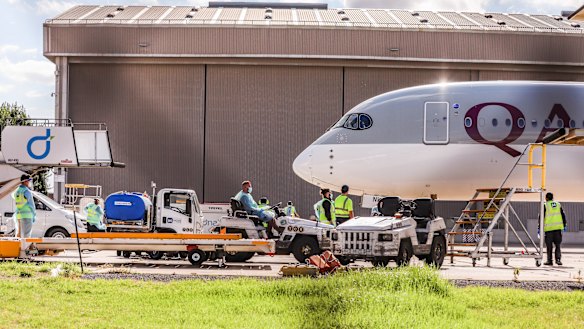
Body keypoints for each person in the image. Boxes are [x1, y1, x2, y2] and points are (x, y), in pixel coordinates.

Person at [543, 192, 567, 266]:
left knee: (549, 246)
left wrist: (539, 227)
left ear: (546, 198)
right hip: (558, 229)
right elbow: (563, 214)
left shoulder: (545, 205)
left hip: (549, 229)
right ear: (552, 198)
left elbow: (541, 216)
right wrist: (564, 224)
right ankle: (558, 260)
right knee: (558, 245)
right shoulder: (558, 204)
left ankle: (549, 261)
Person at [12, 174, 36, 238]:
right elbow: (31, 205)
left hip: (18, 215)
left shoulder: (16, 191)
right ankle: (25, 247)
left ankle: (18, 247)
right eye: (28, 181)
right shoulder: (27, 192)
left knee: (19, 234)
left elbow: (14, 198)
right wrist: (34, 215)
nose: (29, 183)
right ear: (25, 181)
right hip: (27, 216)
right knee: (26, 235)